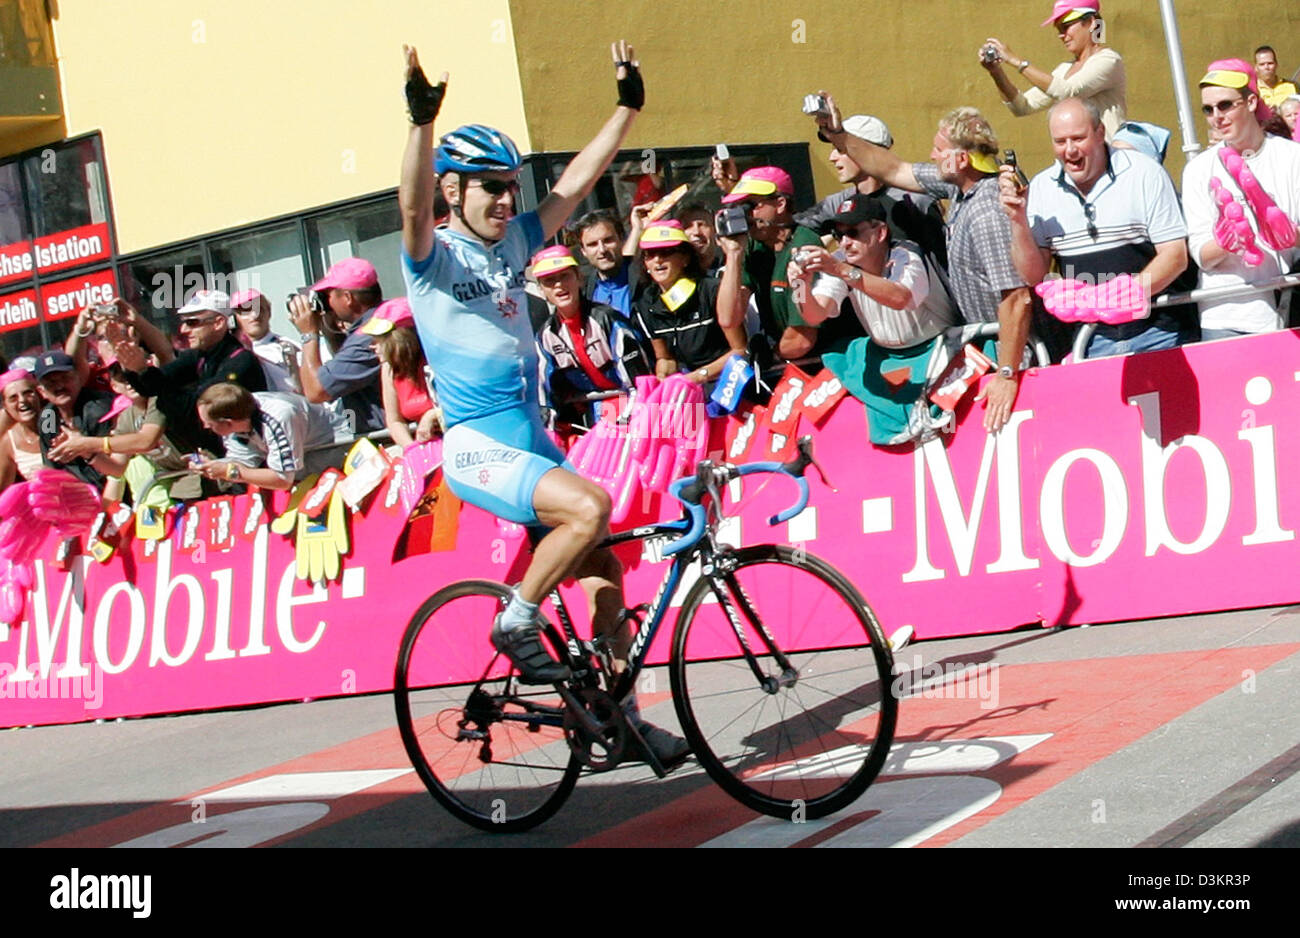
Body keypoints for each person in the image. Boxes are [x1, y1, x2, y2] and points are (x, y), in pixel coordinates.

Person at [398, 39, 688, 764]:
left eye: (509, 187)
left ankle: (617, 720)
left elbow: (577, 184)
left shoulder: (514, 244)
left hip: (533, 440)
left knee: (607, 579)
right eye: (487, 187)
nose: (505, 200)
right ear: (452, 190)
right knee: (588, 507)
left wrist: (626, 108)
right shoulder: (430, 258)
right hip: (478, 449)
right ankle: (515, 619)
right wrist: (419, 123)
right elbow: (408, 202)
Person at [812, 98, 1032, 432]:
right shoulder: (957, 185)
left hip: (1009, 350)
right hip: (985, 342)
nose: (931, 155)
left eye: (938, 149)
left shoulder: (987, 211)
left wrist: (1007, 374)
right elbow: (892, 169)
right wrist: (837, 134)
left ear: (960, 158)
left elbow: (1016, 299)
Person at [1001, 97, 1190, 358]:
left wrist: (1128, 294)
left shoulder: (1145, 173)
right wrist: (1018, 220)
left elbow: (1175, 256)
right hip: (1090, 339)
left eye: (1078, 138)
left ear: (1100, 133)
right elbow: (1034, 276)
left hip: (1160, 332)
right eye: (1060, 141)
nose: (1069, 150)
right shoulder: (1043, 187)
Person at [1182, 60, 1300, 339]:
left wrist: (1292, 236)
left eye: (1225, 105)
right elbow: (1200, 253)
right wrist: (1225, 243)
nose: (1216, 117)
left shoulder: (1292, 157)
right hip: (1227, 313)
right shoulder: (1198, 170)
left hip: (1290, 306)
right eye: (1208, 110)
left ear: (1250, 102)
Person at [113, 291, 267, 457]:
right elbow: (153, 386)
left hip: (254, 456)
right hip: (222, 454)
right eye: (183, 322)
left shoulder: (240, 361)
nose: (183, 329)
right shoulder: (200, 355)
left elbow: (193, 407)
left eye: (192, 322)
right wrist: (130, 364)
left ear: (218, 323)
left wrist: (143, 369)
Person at [794, 113, 947, 269]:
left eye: (840, 149)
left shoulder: (914, 200)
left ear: (866, 152)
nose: (832, 157)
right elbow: (794, 228)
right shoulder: (837, 203)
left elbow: (945, 264)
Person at [714, 166, 829, 361]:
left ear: (780, 204)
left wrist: (770, 357)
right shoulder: (753, 246)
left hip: (817, 361)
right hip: (784, 357)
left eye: (751, 205)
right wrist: (733, 255)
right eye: (740, 208)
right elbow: (728, 318)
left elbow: (802, 339)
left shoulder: (803, 245)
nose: (747, 215)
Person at [531, 245, 650, 431]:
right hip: (583, 414)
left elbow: (641, 385)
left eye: (565, 276)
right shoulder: (545, 335)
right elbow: (545, 399)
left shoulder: (609, 320)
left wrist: (626, 421)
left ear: (578, 278)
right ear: (541, 290)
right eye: (549, 281)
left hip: (626, 406)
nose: (559, 285)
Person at [982, 0, 1127, 140]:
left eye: (1066, 27)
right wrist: (996, 72)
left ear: (1091, 22)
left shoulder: (1109, 60)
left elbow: (1069, 92)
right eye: (1058, 30)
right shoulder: (1064, 70)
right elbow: (1022, 106)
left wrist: (1016, 62)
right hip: (1078, 159)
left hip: (1110, 159)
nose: (1061, 35)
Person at [633, 221, 748, 382]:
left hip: (729, 383)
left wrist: (698, 376)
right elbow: (665, 358)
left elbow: (740, 349)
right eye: (650, 254)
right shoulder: (645, 303)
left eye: (666, 252)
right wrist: (662, 377)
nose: (658, 260)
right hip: (688, 389)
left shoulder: (711, 290)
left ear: (685, 258)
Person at [288, 257, 386, 435]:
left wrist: (308, 334)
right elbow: (341, 361)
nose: (326, 302)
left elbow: (316, 392)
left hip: (388, 438)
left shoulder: (367, 338)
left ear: (347, 297)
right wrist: (327, 324)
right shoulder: (384, 321)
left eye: (328, 295)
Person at [192, 383, 342, 490]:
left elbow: (282, 480)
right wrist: (212, 466)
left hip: (334, 449)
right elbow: (243, 462)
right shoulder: (237, 417)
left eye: (210, 424)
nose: (205, 427)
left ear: (229, 423)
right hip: (306, 460)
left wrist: (228, 471)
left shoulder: (279, 416)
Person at [360, 297, 442, 447]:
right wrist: (412, 449)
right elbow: (394, 421)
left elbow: (462, 404)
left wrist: (431, 415)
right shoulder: (389, 369)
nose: (372, 346)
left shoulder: (436, 360)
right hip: (427, 446)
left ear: (401, 339)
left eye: (379, 340)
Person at [32, 350, 115, 488]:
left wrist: (82, 447)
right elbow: (52, 466)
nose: (59, 386)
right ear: (42, 391)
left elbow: (113, 468)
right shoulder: (49, 416)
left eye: (65, 378)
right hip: (73, 494)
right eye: (51, 383)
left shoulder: (98, 408)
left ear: (78, 378)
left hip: (111, 490)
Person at [231, 289, 303, 394]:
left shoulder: (289, 347)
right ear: (234, 318)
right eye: (246, 310)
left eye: (259, 309)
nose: (255, 315)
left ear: (269, 312)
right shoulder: (228, 352)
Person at [573, 209, 638, 316]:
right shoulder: (583, 294)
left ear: (621, 239)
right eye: (593, 244)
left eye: (608, 240)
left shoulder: (645, 282)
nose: (602, 250)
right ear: (583, 251)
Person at [0, 368, 42, 492]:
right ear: (5, 406)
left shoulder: (53, 421)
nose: (22, 400)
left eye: (28, 393)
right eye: (13, 398)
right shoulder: (9, 441)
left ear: (40, 394)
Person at [675, 201, 722, 274]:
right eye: (688, 226)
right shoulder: (673, 277)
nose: (696, 232)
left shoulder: (730, 269)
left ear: (715, 230)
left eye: (702, 225)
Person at [1254, 46, 1297, 111]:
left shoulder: (1292, 86)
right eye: (1262, 64)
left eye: (1270, 63)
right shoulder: (1252, 90)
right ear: (1256, 68)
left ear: (1276, 64)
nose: (1266, 67)